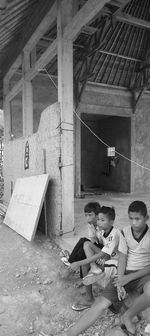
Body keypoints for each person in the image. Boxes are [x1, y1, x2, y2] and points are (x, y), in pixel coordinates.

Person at [60, 200, 150, 336]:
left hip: (142, 275)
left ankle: (127, 316)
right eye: (131, 218)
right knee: (100, 303)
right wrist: (120, 281)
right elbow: (123, 258)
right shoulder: (124, 232)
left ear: (146, 218)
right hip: (123, 271)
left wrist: (128, 278)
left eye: (137, 219)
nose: (133, 223)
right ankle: (67, 334)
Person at [70, 206, 127, 309]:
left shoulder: (114, 234)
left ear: (111, 222)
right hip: (108, 257)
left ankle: (118, 304)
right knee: (86, 245)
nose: (99, 222)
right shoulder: (103, 231)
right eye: (99, 220)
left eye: (102, 220)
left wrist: (78, 262)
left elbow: (102, 254)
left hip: (116, 263)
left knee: (84, 263)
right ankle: (89, 298)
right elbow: (100, 247)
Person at [60, 202, 101, 310]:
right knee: (84, 249)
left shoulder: (102, 224)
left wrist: (95, 252)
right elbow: (93, 240)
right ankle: (88, 293)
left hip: (105, 251)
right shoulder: (91, 225)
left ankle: (70, 262)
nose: (87, 218)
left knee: (83, 241)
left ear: (97, 215)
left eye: (90, 215)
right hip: (98, 247)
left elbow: (107, 246)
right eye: (86, 215)